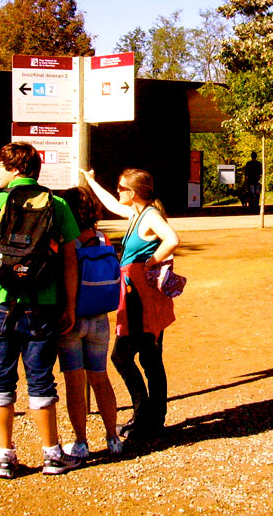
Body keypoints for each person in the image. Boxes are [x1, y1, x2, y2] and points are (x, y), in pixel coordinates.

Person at [0, 142, 82, 479]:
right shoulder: (57, 204)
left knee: (0, 378)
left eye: (0, 166)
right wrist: (70, 305)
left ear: (15, 168)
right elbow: (70, 262)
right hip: (42, 305)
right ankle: (52, 455)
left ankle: (5, 456)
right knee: (41, 379)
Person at [84, 167, 180, 442]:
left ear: (134, 192)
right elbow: (111, 204)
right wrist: (91, 181)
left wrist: (149, 262)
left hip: (143, 297)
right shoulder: (136, 212)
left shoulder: (150, 215)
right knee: (148, 358)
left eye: (121, 188)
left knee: (125, 356)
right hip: (134, 293)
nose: (118, 192)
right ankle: (151, 418)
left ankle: (146, 416)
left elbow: (172, 239)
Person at [54, 185, 123, 460]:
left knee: (74, 382)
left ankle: (81, 442)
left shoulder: (65, 240)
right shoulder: (103, 239)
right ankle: (112, 437)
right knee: (100, 378)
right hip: (100, 317)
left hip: (71, 318)